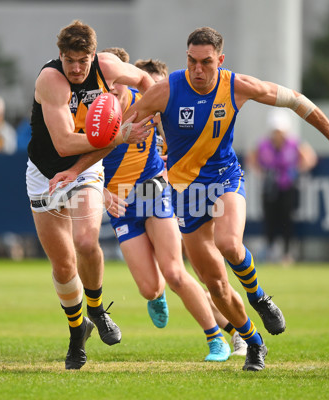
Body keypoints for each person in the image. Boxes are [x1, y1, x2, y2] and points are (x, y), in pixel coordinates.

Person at [118, 27, 329, 371]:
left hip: (224, 181)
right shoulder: (166, 90)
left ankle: (259, 297)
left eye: (206, 62)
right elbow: (113, 135)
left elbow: (296, 100)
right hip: (185, 195)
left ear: (220, 61)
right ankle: (253, 342)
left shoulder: (237, 86)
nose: (198, 70)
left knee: (230, 245)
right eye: (192, 61)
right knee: (217, 286)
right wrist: (76, 168)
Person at [25, 20, 156, 370]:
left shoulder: (108, 67)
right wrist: (120, 134)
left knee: (86, 242)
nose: (77, 68)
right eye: (70, 60)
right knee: (63, 264)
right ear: (60, 57)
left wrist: (143, 113)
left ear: (94, 55)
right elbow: (65, 142)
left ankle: (96, 308)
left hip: (85, 168)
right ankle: (76, 332)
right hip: (44, 174)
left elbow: (146, 81)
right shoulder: (50, 80)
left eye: (83, 60)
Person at [98, 47, 230, 361]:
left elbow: (176, 129)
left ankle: (216, 340)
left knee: (175, 272)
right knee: (149, 288)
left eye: (117, 76)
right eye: (105, 78)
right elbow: (82, 159)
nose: (111, 84)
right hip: (123, 205)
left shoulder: (141, 99)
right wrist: (102, 192)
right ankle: (156, 297)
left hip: (153, 190)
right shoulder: (92, 112)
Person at [133, 56, 248, 357]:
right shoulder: (140, 118)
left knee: (198, 273)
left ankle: (234, 333)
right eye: (143, 87)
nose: (150, 93)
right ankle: (156, 290)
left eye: (154, 85)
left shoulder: (178, 112)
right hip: (152, 192)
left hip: (187, 194)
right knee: (170, 271)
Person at [246, 109, 318, 265]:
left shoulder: (294, 143)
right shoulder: (263, 144)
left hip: (287, 187)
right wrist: (261, 171)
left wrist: (296, 170)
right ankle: (269, 251)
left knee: (287, 219)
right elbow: (251, 158)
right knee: (269, 219)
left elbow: (310, 158)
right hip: (270, 187)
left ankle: (286, 253)